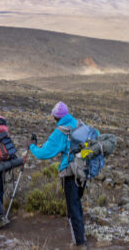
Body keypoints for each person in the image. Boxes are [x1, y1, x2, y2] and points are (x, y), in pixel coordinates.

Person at [29, 102, 87, 249]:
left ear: (56, 117)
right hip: (82, 171)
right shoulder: (79, 124)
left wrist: (32, 146)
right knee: (77, 204)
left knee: (72, 207)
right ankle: (81, 237)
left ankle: (79, 243)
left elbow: (44, 153)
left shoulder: (61, 131)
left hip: (69, 173)